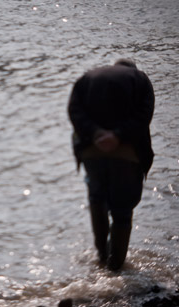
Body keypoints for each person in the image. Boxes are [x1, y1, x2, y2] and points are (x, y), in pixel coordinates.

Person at [68, 58, 155, 271]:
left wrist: (97, 134)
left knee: (97, 199)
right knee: (122, 211)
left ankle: (101, 258)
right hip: (127, 153)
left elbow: (74, 111)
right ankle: (115, 268)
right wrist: (117, 136)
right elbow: (144, 116)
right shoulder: (140, 79)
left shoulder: (87, 78)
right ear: (132, 70)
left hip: (92, 149)